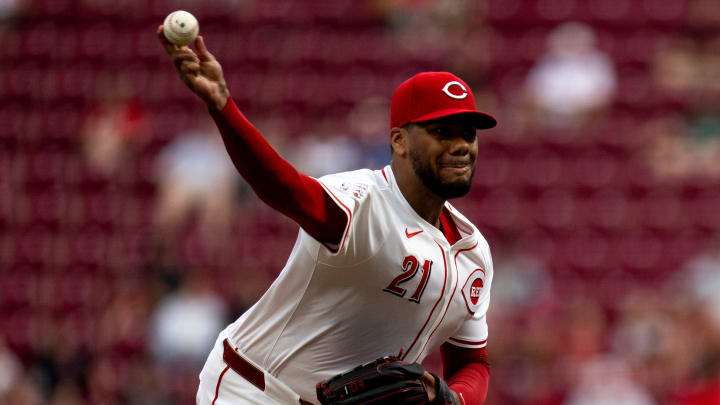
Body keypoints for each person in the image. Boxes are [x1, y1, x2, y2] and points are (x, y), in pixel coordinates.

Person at [157, 25, 497, 405]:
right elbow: (284, 189)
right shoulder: (363, 201)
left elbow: (472, 362)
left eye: (468, 134)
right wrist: (223, 107)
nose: (461, 146)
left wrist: (453, 400)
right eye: (442, 131)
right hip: (254, 390)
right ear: (399, 140)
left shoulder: (473, 253)